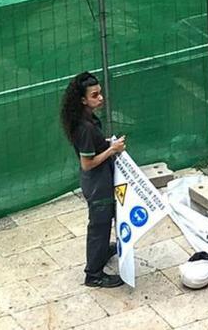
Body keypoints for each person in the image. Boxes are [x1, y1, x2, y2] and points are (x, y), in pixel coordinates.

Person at [60, 72, 126, 288]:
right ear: (83, 100)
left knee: (103, 222)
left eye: (100, 93)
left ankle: (101, 253)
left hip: (101, 179)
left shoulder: (88, 119)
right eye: (95, 95)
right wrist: (112, 150)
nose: (101, 98)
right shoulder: (85, 128)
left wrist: (106, 143)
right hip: (97, 184)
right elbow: (87, 163)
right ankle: (94, 274)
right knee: (99, 225)